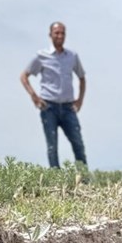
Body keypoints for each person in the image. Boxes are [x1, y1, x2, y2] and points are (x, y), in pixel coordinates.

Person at [20, 22, 87, 168]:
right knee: (52, 146)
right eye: (57, 33)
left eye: (62, 33)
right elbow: (24, 76)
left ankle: (84, 180)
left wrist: (80, 101)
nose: (60, 36)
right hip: (49, 107)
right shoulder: (41, 56)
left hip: (69, 107)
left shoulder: (72, 56)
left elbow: (82, 77)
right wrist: (34, 97)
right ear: (50, 35)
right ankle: (56, 183)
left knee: (78, 143)